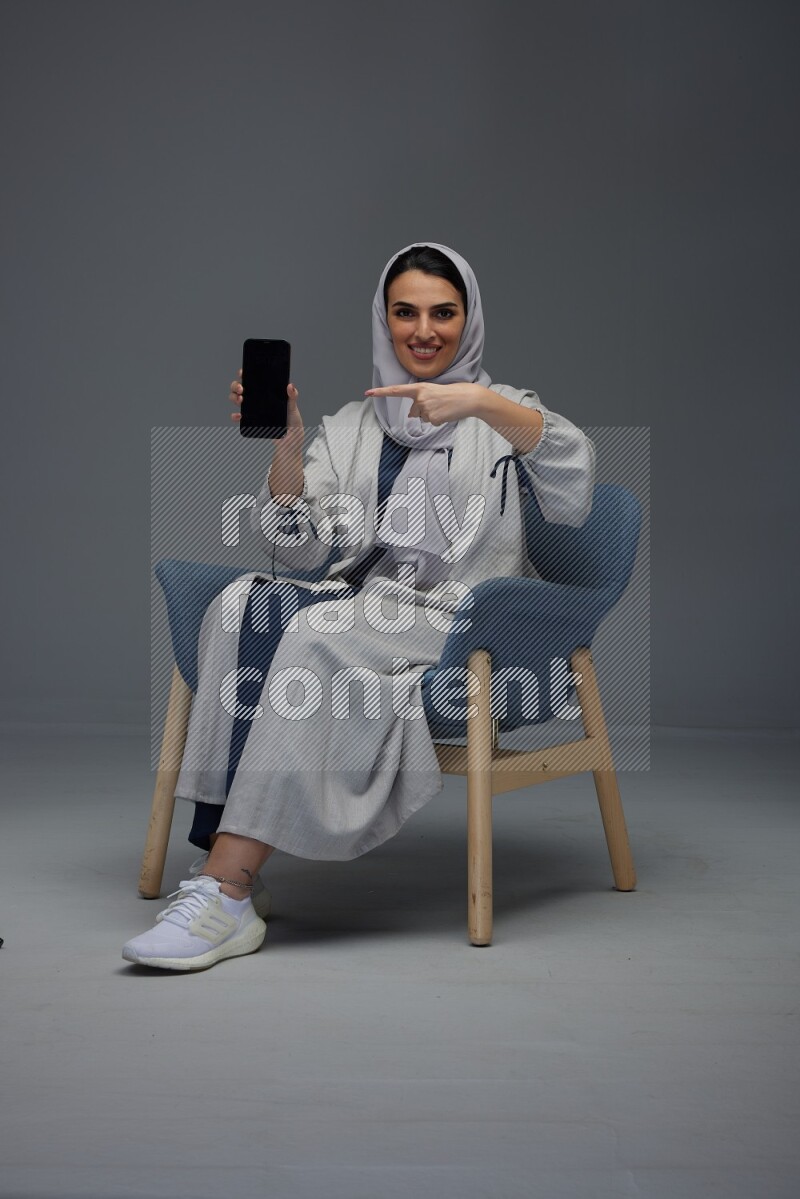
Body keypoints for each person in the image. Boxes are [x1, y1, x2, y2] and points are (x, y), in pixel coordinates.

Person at [122, 242, 596, 971]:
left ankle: (227, 890)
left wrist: (477, 401)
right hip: (368, 604)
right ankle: (222, 853)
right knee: (239, 605)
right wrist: (289, 444)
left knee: (316, 630)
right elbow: (303, 545)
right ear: (384, 320)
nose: (424, 331)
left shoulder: (507, 415)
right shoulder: (354, 424)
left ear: (469, 320)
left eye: (444, 313)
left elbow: (574, 484)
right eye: (406, 313)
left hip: (460, 619)